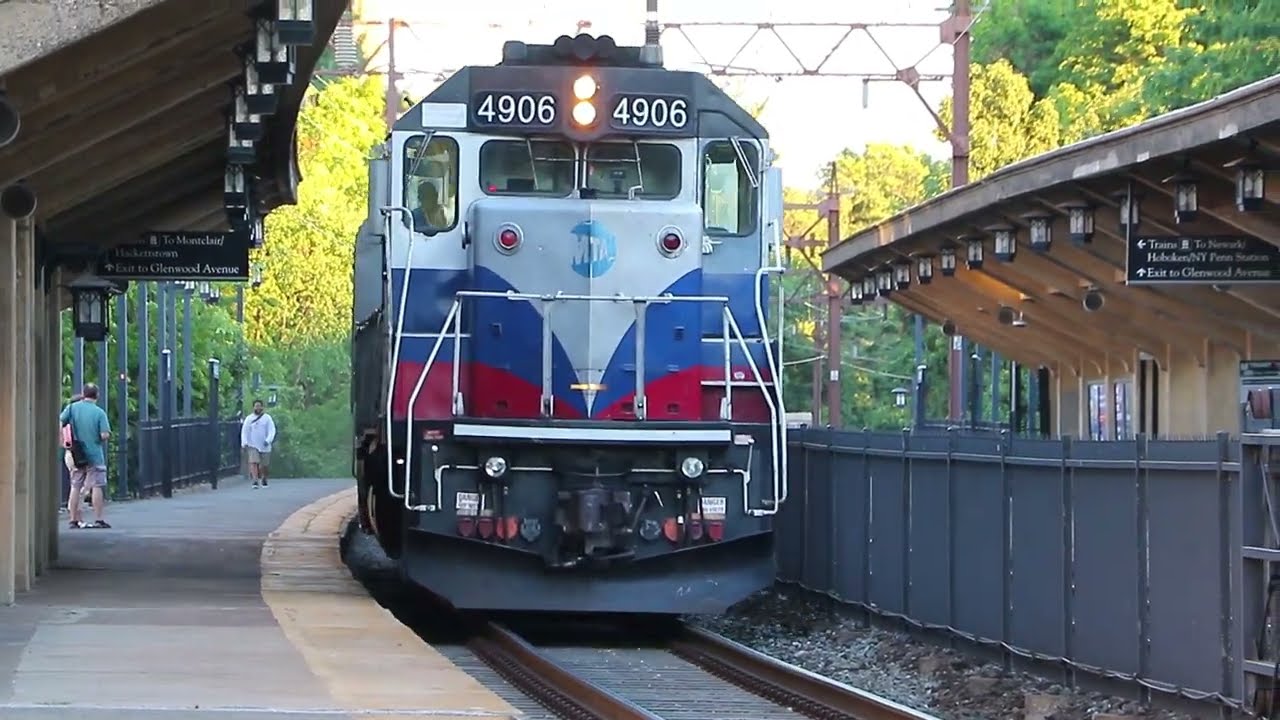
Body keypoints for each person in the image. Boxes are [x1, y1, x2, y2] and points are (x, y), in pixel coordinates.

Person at [60, 385, 111, 529]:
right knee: (97, 486)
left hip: (77, 454)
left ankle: (73, 519)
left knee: (75, 486)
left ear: (83, 393)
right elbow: (104, 435)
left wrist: (63, 441)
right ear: (97, 395)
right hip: (94, 455)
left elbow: (60, 422)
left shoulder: (72, 408)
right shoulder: (99, 413)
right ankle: (99, 519)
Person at [241, 399, 277, 489]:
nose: (257, 408)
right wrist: (244, 442)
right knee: (254, 462)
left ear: (262, 407)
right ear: (253, 407)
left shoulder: (267, 418)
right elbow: (244, 431)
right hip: (252, 444)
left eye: (259, 406)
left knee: (264, 465)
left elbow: (272, 430)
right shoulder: (249, 419)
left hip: (265, 445)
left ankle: (264, 478)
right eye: (256, 406)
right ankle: (255, 480)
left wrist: (268, 440)